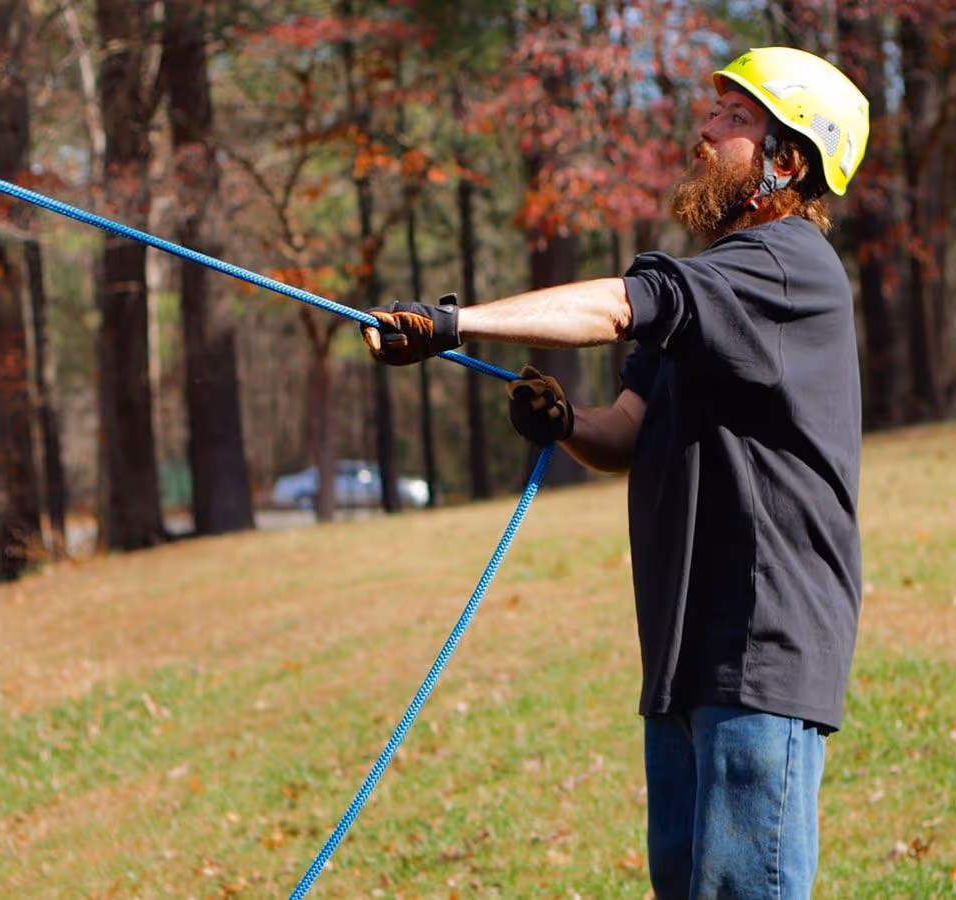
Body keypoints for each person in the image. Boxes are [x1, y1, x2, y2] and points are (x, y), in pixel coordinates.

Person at [362, 47, 869, 900]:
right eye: (713, 113)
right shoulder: (720, 295)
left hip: (760, 650)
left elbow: (619, 305)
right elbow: (625, 431)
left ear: (787, 160)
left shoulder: (785, 266)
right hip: (681, 654)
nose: (704, 131)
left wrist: (454, 324)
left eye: (734, 119)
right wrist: (564, 424)